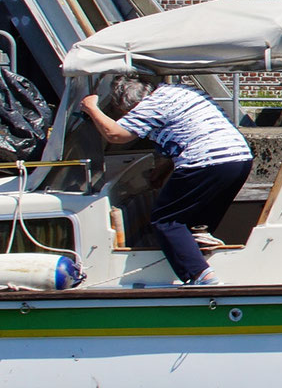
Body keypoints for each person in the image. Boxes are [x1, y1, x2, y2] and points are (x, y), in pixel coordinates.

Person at [78, 74, 252, 287]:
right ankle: (201, 244)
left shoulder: (150, 105)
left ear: (129, 106)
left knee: (166, 220)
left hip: (206, 160)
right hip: (238, 158)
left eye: (125, 114)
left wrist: (91, 107)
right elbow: (186, 134)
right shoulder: (177, 92)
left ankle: (201, 276)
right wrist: (162, 171)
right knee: (194, 221)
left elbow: (116, 134)